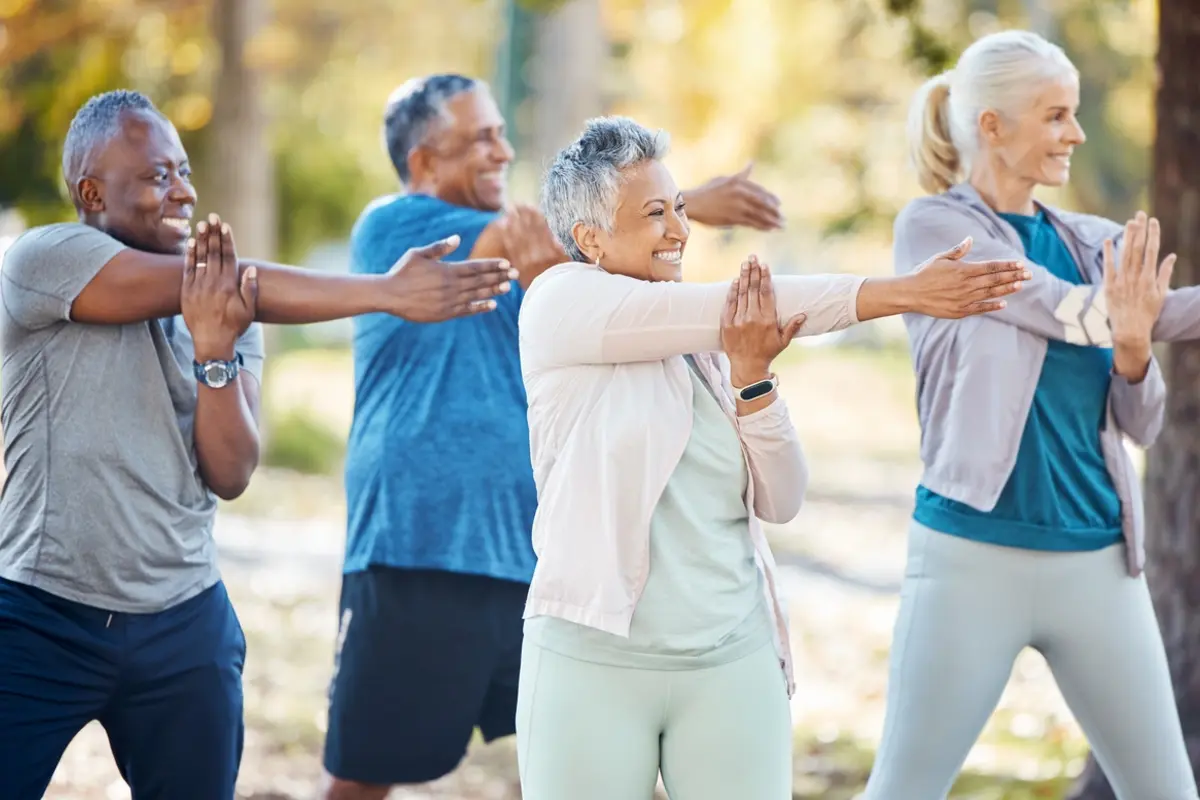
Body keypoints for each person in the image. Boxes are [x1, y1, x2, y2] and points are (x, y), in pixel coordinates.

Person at [0, 89, 515, 800]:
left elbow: (232, 471)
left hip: (182, 621)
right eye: (156, 176)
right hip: (39, 614)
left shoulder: (233, 312)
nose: (183, 190)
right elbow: (224, 283)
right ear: (92, 192)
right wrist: (384, 293)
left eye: (183, 170)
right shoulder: (46, 260)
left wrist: (216, 354)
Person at [513, 115, 1028, 800]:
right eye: (655, 213)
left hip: (731, 657)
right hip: (591, 659)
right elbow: (748, 305)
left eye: (682, 209)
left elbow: (782, 500)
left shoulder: (703, 344)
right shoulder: (559, 303)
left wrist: (753, 379)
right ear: (590, 239)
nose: (680, 230)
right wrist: (902, 292)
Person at [321, 73, 803, 799]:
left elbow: (600, 243)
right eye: (480, 136)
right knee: (367, 772)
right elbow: (547, 237)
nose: (502, 149)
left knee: (563, 752)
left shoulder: (554, 262)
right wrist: (693, 200)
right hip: (419, 544)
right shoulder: (395, 228)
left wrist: (674, 209)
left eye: (500, 132)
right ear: (423, 162)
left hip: (537, 550)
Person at [866, 30, 1200, 799]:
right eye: (1055, 116)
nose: (1075, 135)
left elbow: (1141, 421)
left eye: (1075, 115)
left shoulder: (1097, 247)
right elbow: (1047, 306)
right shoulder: (934, 232)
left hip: (1099, 563)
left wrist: (1134, 349)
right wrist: (1130, 316)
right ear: (993, 126)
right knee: (903, 790)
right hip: (971, 558)